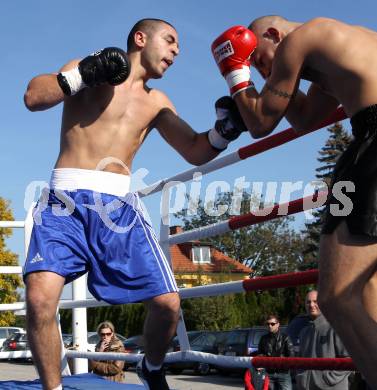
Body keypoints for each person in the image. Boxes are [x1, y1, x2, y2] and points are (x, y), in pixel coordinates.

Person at [23, 18, 246, 390]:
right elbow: (33, 96)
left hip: (118, 210)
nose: (177, 51)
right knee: (39, 299)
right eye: (171, 41)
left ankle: (153, 367)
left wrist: (224, 133)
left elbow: (194, 148)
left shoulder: (158, 102)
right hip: (64, 202)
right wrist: (82, 75)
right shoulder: (87, 68)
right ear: (141, 39)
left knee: (168, 305)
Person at [211, 16, 377, 389]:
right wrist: (258, 93)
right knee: (366, 289)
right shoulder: (334, 48)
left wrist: (236, 74)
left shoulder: (299, 38)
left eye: (260, 60)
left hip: (373, 142)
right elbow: (303, 119)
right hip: (369, 138)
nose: (265, 72)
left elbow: (260, 123)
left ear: (273, 35)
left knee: (336, 295)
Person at [295, 290, 350, 390]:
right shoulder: (304, 332)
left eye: (315, 301)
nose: (311, 305)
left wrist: (327, 379)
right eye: (308, 302)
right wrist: (301, 376)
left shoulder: (337, 327)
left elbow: (349, 359)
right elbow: (300, 359)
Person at [257, 314, 294, 390]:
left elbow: (291, 355)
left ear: (278, 324)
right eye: (268, 324)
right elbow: (260, 354)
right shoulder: (263, 339)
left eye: (272, 324)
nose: (270, 326)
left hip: (283, 373)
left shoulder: (285, 338)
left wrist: (284, 365)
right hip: (268, 373)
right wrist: (261, 362)